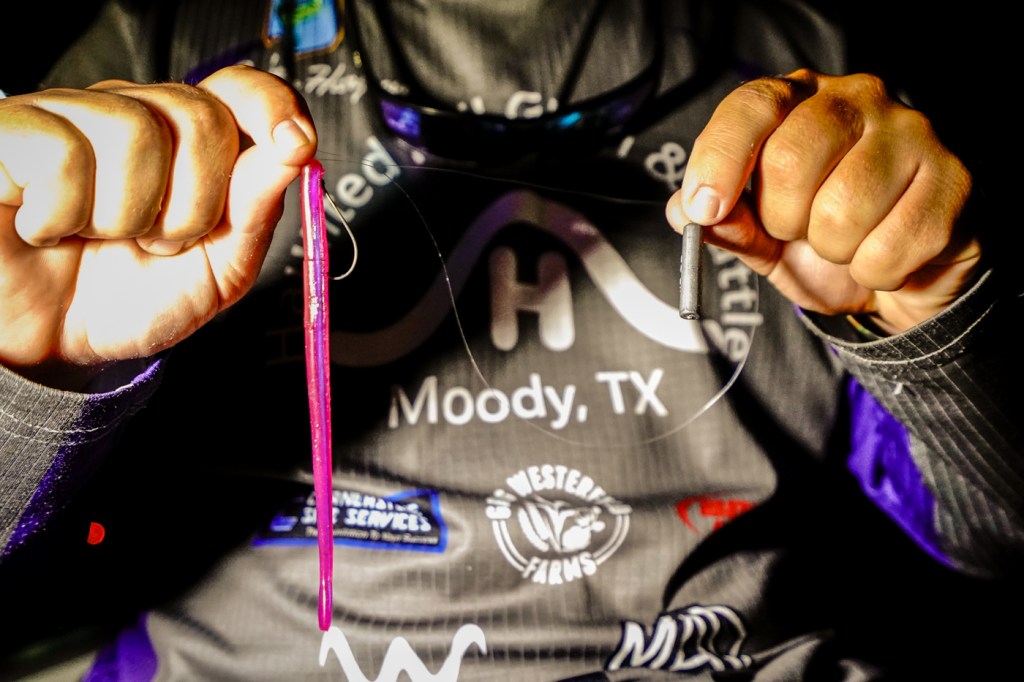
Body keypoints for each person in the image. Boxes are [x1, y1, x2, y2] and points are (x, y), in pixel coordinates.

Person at [0, 1, 1018, 680]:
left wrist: (927, 310)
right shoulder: (161, 44)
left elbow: (991, 534)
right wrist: (29, 370)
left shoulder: (812, 58)